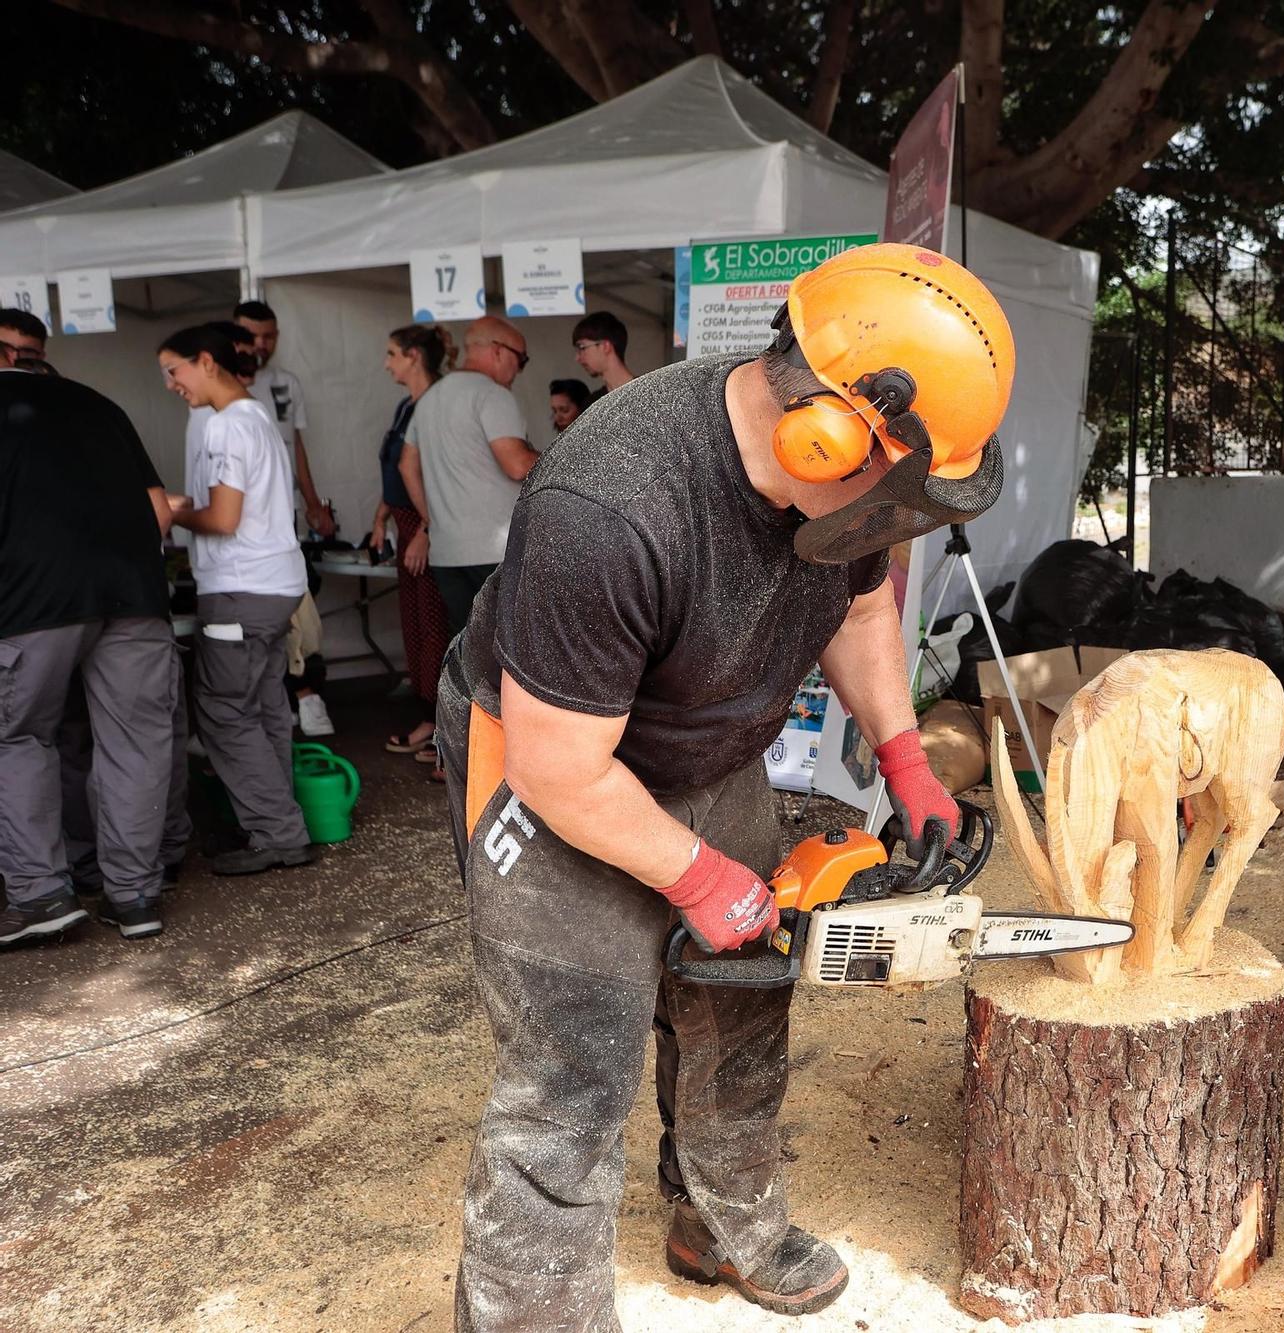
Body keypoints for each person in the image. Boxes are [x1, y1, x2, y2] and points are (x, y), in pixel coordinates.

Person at [439, 243, 1012, 1326]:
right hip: (550, 767)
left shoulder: (843, 490)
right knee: (572, 1066)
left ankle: (719, 1220)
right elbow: (558, 767)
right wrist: (696, 876)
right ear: (824, 433)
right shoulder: (606, 508)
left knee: (739, 1002)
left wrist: (903, 757)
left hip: (709, 745)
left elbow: (856, 608)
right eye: (894, 498)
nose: (894, 527)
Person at [0, 330, 179, 944]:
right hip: (136, 596)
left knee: (17, 738)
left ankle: (39, 894)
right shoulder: (98, 403)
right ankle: (135, 895)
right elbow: (159, 510)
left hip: (30, 604)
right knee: (136, 742)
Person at [160, 323, 319, 876]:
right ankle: (279, 823)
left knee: (224, 712)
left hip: (239, 589)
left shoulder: (227, 427)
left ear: (206, 361)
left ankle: (276, 831)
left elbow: (224, 520)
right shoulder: (255, 418)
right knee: (265, 708)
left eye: (173, 370)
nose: (171, 384)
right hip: (275, 585)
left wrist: (171, 510)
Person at [398, 315, 537, 636]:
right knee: (512, 651)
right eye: (522, 359)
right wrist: (561, 458)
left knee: (468, 653)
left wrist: (431, 518)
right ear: (499, 351)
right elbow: (516, 465)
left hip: (447, 551)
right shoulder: (492, 395)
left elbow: (406, 466)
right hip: (495, 551)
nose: (520, 370)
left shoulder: (430, 397)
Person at [235, 299, 337, 738]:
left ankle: (304, 696)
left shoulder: (285, 383)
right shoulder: (218, 384)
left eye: (269, 336)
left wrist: (313, 503)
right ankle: (277, 702)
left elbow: (294, 446)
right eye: (251, 336)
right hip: (239, 524)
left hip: (283, 519)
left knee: (296, 607)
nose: (261, 345)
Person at [369, 324, 453, 774]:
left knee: (438, 628)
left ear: (415, 356)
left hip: (429, 527)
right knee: (417, 629)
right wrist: (379, 518)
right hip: (406, 523)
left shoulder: (437, 402)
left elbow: (438, 475)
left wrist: (426, 527)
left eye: (391, 353)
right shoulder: (408, 406)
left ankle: (446, 726)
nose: (386, 363)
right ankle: (428, 718)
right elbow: (396, 472)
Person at [572, 310, 635, 395]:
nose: (577, 358)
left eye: (582, 348)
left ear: (606, 346)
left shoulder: (647, 393)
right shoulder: (592, 403)